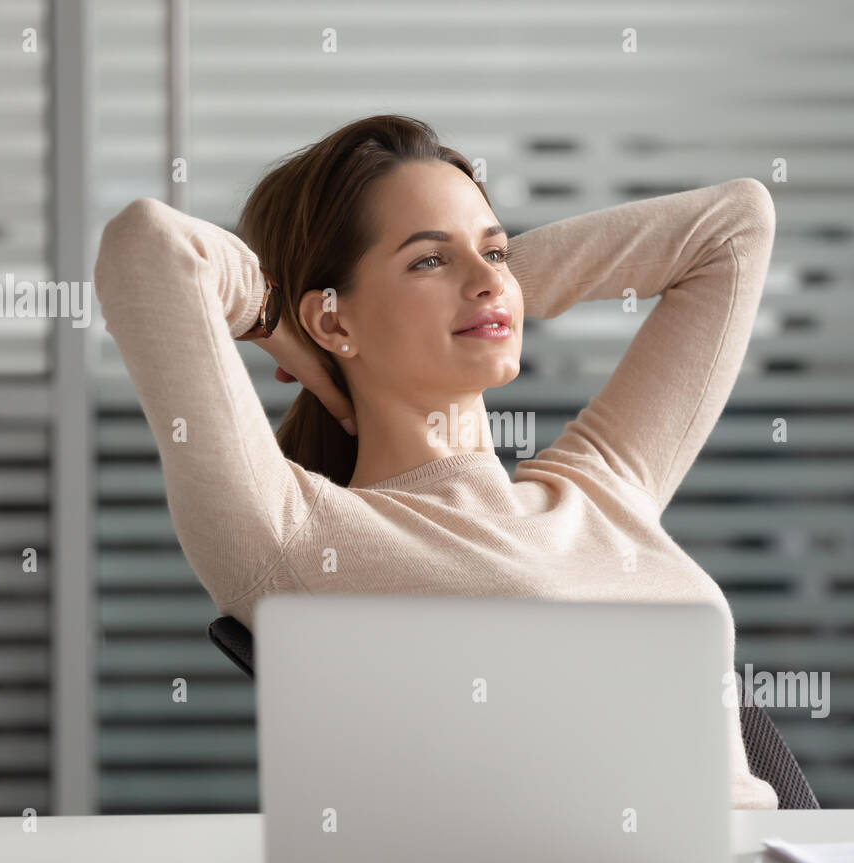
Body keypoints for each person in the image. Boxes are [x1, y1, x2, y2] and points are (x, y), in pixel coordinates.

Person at [93, 114, 779, 809]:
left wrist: (488, 289)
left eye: (497, 252)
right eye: (427, 259)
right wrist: (288, 325)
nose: (486, 279)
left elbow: (735, 226)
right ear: (333, 321)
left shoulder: (599, 487)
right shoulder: (299, 537)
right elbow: (151, 247)